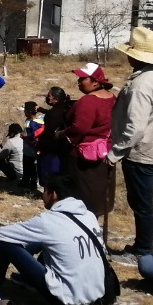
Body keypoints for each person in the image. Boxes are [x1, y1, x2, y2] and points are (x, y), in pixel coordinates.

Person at [0, 173, 106, 305]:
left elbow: (0, 234)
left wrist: (19, 253)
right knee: (46, 241)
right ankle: (27, 278)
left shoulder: (48, 221)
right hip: (97, 294)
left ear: (54, 195)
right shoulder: (90, 216)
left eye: (45, 191)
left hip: (67, 299)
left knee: (5, 245)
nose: (42, 196)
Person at [109, 27, 153, 256]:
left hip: (142, 153)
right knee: (144, 200)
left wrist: (115, 153)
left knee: (141, 203)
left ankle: (142, 249)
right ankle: (143, 245)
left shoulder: (141, 85)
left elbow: (136, 128)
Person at [64, 63, 116, 222]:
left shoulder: (88, 101)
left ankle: (82, 224)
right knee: (99, 191)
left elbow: (79, 128)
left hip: (83, 155)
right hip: (105, 151)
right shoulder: (112, 98)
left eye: (83, 79)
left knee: (83, 194)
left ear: (96, 81)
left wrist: (61, 134)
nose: (79, 82)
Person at [37, 87, 72, 185]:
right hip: (64, 147)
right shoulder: (67, 108)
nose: (47, 98)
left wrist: (39, 142)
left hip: (52, 149)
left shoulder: (52, 114)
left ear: (55, 99)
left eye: (49, 96)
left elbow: (49, 133)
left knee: (50, 176)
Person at [22, 101, 44, 194]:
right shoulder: (28, 121)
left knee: (32, 168)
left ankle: (32, 184)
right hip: (26, 148)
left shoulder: (37, 123)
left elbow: (35, 136)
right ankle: (25, 181)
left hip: (32, 149)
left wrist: (26, 137)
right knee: (26, 166)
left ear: (29, 111)